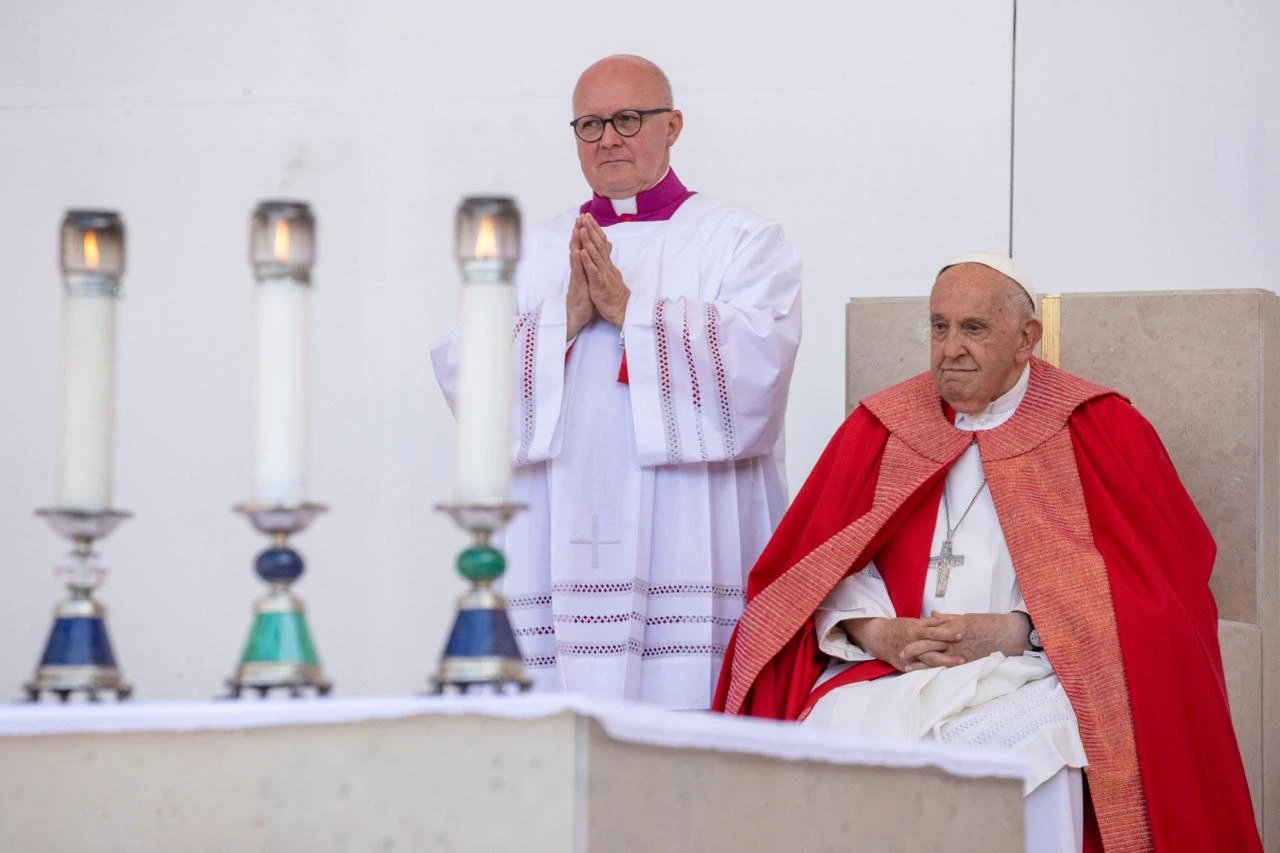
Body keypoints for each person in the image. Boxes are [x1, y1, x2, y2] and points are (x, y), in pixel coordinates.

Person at [713, 254, 1260, 852]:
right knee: (832, 739)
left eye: (974, 329)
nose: (950, 349)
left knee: (1016, 757)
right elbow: (815, 569)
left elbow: (1159, 596)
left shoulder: (1097, 428)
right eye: (938, 326)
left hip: (1034, 673)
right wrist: (876, 633)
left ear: (1027, 339)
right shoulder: (883, 427)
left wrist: (1019, 630)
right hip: (896, 670)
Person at [432, 54, 802, 709]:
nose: (609, 138)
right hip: (554, 536)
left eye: (628, 119)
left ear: (673, 125)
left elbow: (760, 368)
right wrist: (563, 320)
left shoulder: (741, 240)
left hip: (687, 538)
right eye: (590, 124)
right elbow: (466, 369)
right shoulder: (534, 252)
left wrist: (634, 315)